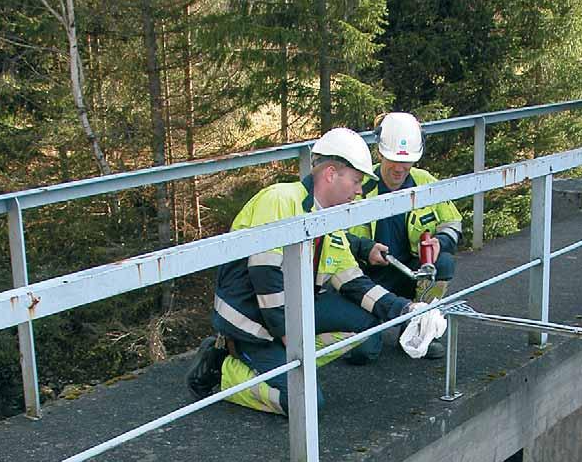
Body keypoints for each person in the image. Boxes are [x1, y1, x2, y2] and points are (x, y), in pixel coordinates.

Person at [186, 127, 415, 415]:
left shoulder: (329, 219)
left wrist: (405, 310)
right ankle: (223, 373)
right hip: (252, 323)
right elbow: (266, 280)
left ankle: (286, 364)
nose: (359, 192)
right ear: (331, 173)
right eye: (356, 181)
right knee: (305, 404)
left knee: (365, 322)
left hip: (290, 313)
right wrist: (290, 339)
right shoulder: (281, 200)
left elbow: (354, 282)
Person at [347, 112, 462, 359]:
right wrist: (363, 247)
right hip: (366, 279)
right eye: (392, 160)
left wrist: (439, 243)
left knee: (443, 263)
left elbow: (453, 222)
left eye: (407, 161)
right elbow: (335, 239)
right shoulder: (359, 187)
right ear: (379, 153)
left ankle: (417, 329)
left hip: (409, 271)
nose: (399, 168)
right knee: (364, 354)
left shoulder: (425, 182)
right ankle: (364, 326)